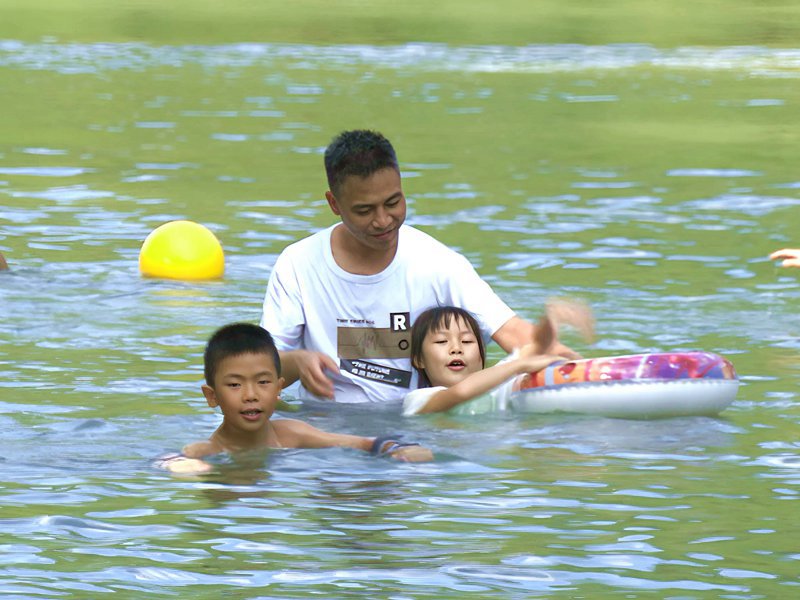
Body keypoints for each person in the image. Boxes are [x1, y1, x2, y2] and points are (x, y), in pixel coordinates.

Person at [261, 129, 578, 403]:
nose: (383, 221)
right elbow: (261, 373)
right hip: (325, 430)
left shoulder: (438, 263)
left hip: (416, 425)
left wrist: (577, 367)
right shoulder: (297, 265)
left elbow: (509, 331)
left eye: (393, 202)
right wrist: (298, 362)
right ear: (334, 204)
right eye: (364, 210)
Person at [159, 323, 432, 474]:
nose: (251, 395)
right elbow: (168, 461)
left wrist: (397, 449)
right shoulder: (206, 451)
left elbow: (363, 442)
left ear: (279, 389)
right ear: (212, 396)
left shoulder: (291, 433)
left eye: (263, 382)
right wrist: (177, 464)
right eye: (234, 385)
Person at [403, 300, 594, 416]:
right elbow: (459, 393)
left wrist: (551, 319)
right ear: (419, 359)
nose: (456, 349)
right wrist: (519, 365)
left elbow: (537, 347)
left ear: (481, 356)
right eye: (442, 342)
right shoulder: (417, 400)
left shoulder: (497, 383)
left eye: (467, 341)